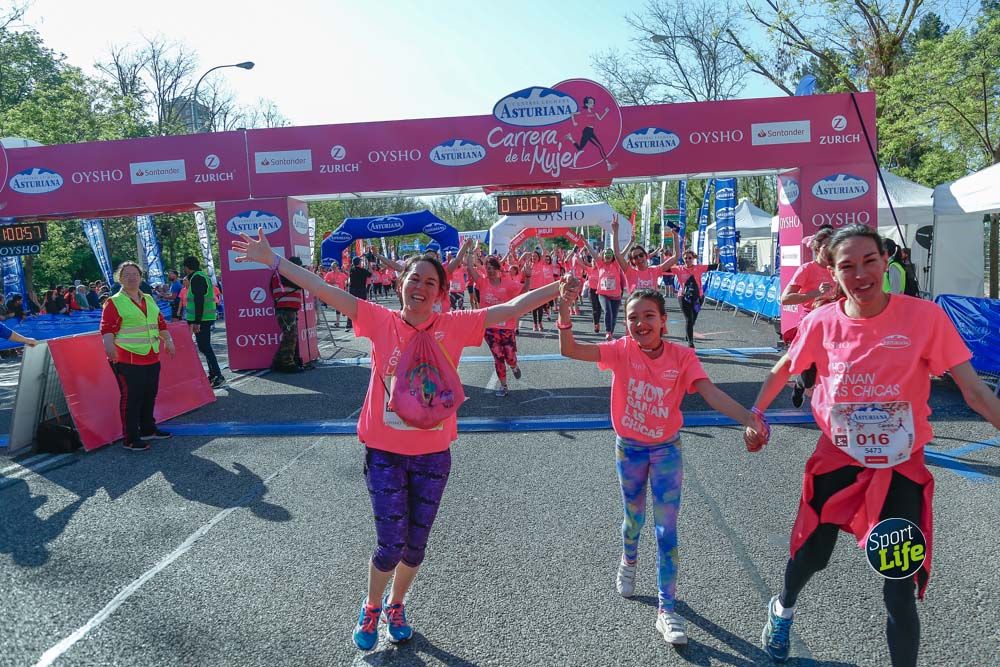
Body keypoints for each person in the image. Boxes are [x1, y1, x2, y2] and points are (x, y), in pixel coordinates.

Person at [232, 227, 576, 651]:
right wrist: (274, 261)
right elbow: (322, 289)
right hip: (385, 454)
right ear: (400, 284)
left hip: (434, 455)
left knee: (415, 547)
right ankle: (372, 606)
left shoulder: (454, 325)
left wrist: (558, 286)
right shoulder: (378, 321)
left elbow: (509, 308)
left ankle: (397, 604)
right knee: (389, 544)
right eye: (414, 279)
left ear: (440, 292)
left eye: (431, 282)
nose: (421, 287)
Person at [749, 224, 1000, 665]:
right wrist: (755, 417)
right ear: (832, 271)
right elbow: (784, 367)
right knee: (812, 556)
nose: (860, 273)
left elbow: (975, 392)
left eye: (869, 261)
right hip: (838, 459)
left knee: (898, 585)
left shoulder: (924, 318)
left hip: (900, 465)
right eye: (847, 266)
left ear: (886, 260)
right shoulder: (821, 322)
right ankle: (783, 608)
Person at [557, 285, 766, 646]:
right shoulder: (620, 351)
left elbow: (710, 392)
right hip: (631, 450)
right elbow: (570, 349)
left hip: (666, 451)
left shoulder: (682, 358)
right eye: (633, 317)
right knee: (633, 518)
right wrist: (562, 313)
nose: (640, 323)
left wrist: (750, 418)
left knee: (666, 531)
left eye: (648, 316)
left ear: (664, 322)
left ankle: (665, 610)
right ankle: (628, 560)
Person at [100, 261, 175, 452]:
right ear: (120, 279)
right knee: (132, 398)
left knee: (150, 394)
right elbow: (107, 328)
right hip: (127, 358)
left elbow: (159, 323)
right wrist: (109, 348)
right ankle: (131, 438)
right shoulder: (113, 302)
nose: (132, 278)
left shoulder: (149, 299)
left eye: (135, 274)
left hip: (151, 356)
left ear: (141, 277)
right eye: (127, 275)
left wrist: (168, 341)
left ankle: (148, 428)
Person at [780, 227, 835, 406]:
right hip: (811, 324)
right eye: (827, 245)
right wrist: (814, 294)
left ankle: (832, 406)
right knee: (810, 375)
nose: (831, 249)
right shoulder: (807, 269)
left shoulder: (839, 269)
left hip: (835, 324)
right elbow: (786, 299)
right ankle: (800, 384)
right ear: (817, 248)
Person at [468, 251, 531, 397]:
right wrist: (469, 251)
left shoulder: (508, 284)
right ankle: (503, 386)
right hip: (489, 328)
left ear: (498, 269)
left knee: (509, 356)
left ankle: (514, 366)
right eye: (487, 268)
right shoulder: (482, 282)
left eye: (491, 268)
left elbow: (524, 292)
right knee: (498, 356)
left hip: (507, 327)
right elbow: (471, 269)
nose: (489, 271)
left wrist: (528, 277)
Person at [182, 257, 225, 388]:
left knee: (205, 346)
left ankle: (218, 375)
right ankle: (213, 374)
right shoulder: (201, 276)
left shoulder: (196, 278)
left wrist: (197, 321)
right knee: (203, 346)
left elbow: (199, 300)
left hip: (203, 319)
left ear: (187, 267)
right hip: (205, 317)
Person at [269, 255, 306, 372]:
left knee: (289, 336)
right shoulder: (285, 274)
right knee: (290, 336)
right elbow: (301, 283)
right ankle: (287, 363)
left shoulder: (279, 274)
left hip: (286, 308)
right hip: (286, 309)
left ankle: (279, 362)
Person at [671, 250, 710, 348]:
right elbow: (664, 269)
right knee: (689, 319)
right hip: (684, 296)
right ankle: (690, 342)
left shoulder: (699, 268)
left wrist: (717, 254)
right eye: (685, 258)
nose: (687, 260)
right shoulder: (679, 269)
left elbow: (714, 266)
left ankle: (688, 335)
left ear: (693, 258)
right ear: (683, 259)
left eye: (690, 258)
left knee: (693, 319)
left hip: (698, 297)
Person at [346, 256, 372, 331]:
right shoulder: (363, 270)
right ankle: (363, 323)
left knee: (351, 306)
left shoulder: (351, 270)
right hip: (361, 290)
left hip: (353, 290)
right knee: (362, 306)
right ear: (359, 263)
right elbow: (371, 274)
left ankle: (349, 324)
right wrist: (369, 263)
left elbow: (350, 266)